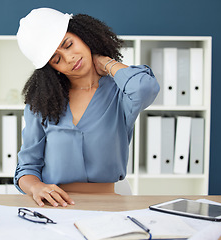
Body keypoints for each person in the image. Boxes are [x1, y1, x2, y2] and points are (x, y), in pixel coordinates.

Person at [14, 8, 160, 207]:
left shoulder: (120, 92)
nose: (69, 58)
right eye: (56, 60)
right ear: (51, 69)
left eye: (68, 45)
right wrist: (35, 187)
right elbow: (27, 168)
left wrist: (105, 62)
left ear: (83, 35)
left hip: (109, 206)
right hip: (56, 207)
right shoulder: (42, 104)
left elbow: (145, 88)